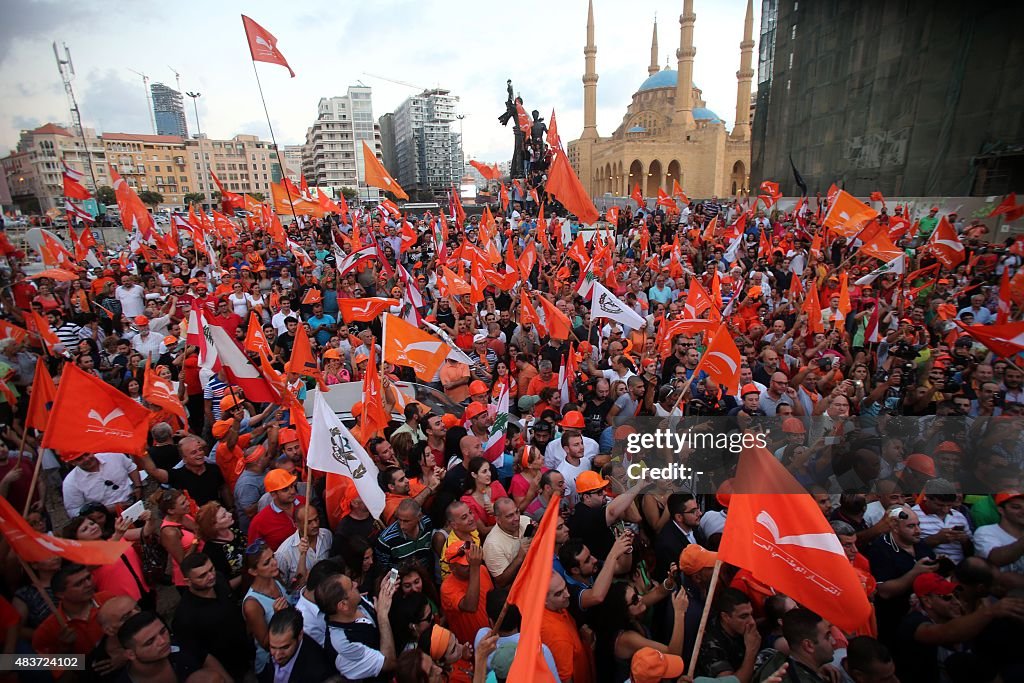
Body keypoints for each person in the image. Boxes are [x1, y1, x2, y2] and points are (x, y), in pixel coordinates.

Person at [174, 552, 254, 682]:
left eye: (211, 569)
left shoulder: (220, 579)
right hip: (229, 670)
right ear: (187, 582)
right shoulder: (185, 618)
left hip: (248, 653)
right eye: (202, 576)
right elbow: (202, 656)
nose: (211, 576)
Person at [316, 570, 398, 682]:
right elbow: (389, 663)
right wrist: (382, 617)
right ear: (343, 605)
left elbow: (376, 609)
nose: (356, 584)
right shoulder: (342, 645)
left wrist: (382, 591)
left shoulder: (355, 602)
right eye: (351, 586)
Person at [116, 611, 229, 682]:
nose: (162, 641)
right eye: (150, 642)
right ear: (130, 654)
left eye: (163, 631)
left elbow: (205, 657)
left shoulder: (179, 645)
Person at [33, 563, 113, 656]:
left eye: (88, 578)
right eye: (78, 584)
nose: (88, 584)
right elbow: (37, 665)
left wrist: (121, 655)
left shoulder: (109, 600)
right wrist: (64, 649)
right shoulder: (47, 630)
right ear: (60, 594)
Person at [696, 587, 760, 681]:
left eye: (751, 614)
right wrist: (751, 652)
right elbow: (732, 681)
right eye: (743, 616)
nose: (752, 622)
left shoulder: (742, 627)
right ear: (725, 617)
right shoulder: (711, 644)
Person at [260, 607, 337, 683]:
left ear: (300, 635)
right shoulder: (280, 644)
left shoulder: (317, 672)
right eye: (273, 647)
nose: (277, 656)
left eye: (285, 647)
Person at [439, 542, 493, 644]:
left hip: (493, 637)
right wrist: (475, 567)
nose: (470, 565)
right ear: (452, 568)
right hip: (471, 646)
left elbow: (491, 599)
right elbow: (470, 607)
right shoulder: (447, 588)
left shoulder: (482, 569)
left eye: (471, 561)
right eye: (465, 564)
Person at [61, 451, 142, 518]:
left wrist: (138, 487)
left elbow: (131, 467)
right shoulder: (70, 483)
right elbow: (74, 510)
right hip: (106, 518)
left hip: (136, 503)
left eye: (86, 454)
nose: (86, 459)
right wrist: (105, 510)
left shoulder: (113, 456)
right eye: (79, 459)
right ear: (72, 462)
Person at [249, 468, 305, 551]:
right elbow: (254, 554)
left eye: (292, 486)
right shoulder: (259, 522)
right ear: (273, 494)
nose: (292, 491)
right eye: (285, 489)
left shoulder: (304, 502)